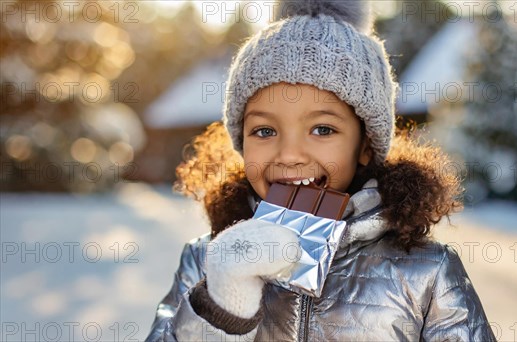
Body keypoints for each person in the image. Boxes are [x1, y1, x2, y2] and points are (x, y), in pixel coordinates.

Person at [146, 1, 496, 341]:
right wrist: (220, 306)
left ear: (364, 145)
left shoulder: (428, 272)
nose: (290, 155)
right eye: (264, 131)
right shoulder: (205, 261)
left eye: (322, 130)